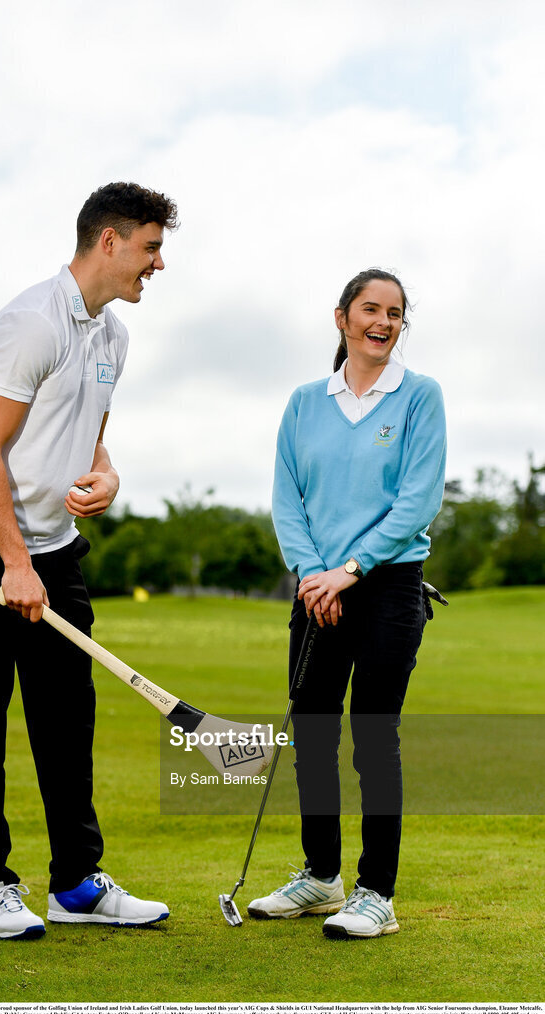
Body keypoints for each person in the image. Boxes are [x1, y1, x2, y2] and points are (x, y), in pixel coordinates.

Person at [0, 182, 178, 940]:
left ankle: (75, 882)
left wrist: (106, 475)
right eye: (150, 247)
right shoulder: (30, 323)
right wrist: (13, 561)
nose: (158, 264)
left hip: (55, 549)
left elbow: (90, 434)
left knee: (67, 723)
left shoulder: (113, 336)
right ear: (109, 241)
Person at [248, 268, 446, 938]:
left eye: (394, 312)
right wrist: (314, 575)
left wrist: (350, 571)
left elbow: (418, 500)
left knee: (373, 737)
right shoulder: (305, 402)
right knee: (312, 735)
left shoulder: (419, 396)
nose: (383, 322)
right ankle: (321, 877)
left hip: (387, 585)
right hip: (317, 589)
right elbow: (287, 498)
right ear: (342, 318)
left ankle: (376, 893)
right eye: (370, 309)